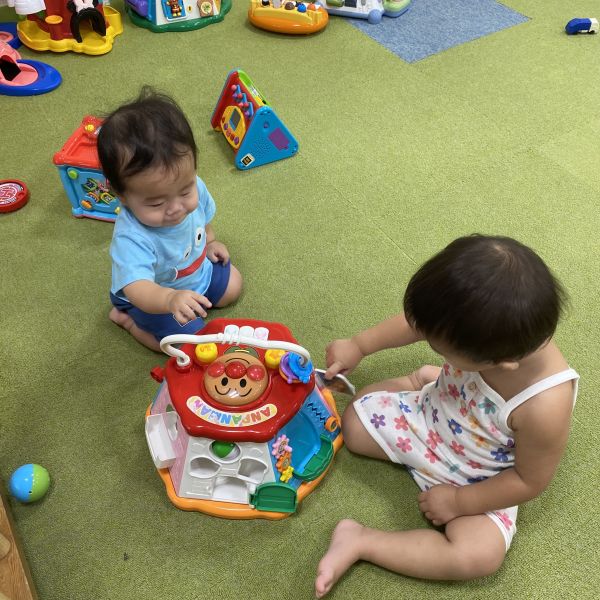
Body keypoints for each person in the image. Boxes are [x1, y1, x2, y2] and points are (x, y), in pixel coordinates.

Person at [315, 234, 579, 598]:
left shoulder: (545, 406)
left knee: (478, 556)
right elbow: (418, 323)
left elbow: (528, 480)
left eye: (442, 350)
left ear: (500, 363)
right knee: (354, 426)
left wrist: (459, 502)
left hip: (480, 478)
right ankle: (421, 381)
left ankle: (361, 541)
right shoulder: (482, 328)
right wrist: (359, 345)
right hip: (434, 416)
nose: (429, 341)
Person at [97, 88, 242, 351]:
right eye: (156, 203)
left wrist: (210, 242)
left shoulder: (193, 185)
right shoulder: (132, 236)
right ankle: (128, 322)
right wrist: (170, 299)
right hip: (153, 298)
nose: (176, 208)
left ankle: (192, 297)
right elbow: (138, 288)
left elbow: (202, 221)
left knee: (233, 286)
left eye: (185, 191)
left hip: (196, 273)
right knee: (186, 343)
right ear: (122, 195)